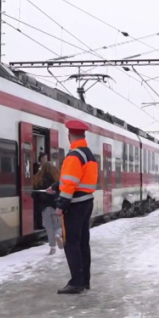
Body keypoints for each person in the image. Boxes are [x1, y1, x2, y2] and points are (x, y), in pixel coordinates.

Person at [56, 120, 98, 294]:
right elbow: (76, 179)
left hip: (74, 205)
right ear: (83, 135)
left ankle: (76, 282)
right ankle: (85, 280)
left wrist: (60, 205)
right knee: (82, 242)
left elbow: (70, 184)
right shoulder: (89, 155)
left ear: (69, 136)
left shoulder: (73, 156)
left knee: (71, 243)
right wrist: (54, 186)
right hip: (86, 202)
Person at [32, 158, 63, 254]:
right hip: (56, 205)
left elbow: (34, 195)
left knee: (49, 227)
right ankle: (58, 235)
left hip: (44, 208)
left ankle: (52, 247)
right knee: (58, 225)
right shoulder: (56, 178)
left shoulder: (38, 179)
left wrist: (40, 202)